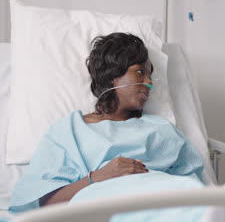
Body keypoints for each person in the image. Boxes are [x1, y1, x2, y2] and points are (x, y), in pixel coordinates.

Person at [9, 33, 206, 220]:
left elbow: (190, 184)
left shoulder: (161, 129)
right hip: (107, 202)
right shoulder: (70, 132)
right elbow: (47, 203)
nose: (149, 82)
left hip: (168, 202)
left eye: (150, 76)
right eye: (140, 72)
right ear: (113, 75)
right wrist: (98, 178)